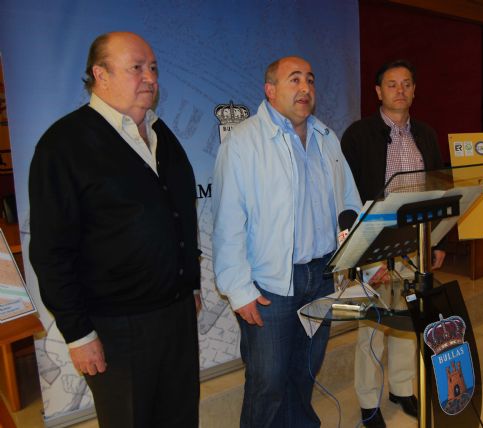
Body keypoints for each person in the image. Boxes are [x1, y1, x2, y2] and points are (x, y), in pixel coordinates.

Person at [29, 32, 201, 428]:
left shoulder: (162, 135)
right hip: (115, 329)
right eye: (136, 68)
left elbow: (180, 217)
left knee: (181, 418)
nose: (150, 77)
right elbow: (51, 252)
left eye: (153, 68)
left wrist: (190, 283)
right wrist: (78, 334)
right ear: (100, 74)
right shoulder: (63, 144)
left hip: (176, 315)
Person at [211, 56, 361, 428]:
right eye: (294, 79)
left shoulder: (327, 139)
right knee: (268, 383)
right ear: (270, 90)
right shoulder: (244, 141)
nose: (305, 87)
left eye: (310, 79)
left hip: (321, 278)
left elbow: (349, 202)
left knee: (304, 372)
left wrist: (358, 256)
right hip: (270, 285)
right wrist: (239, 290)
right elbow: (228, 220)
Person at [341, 59, 445, 428]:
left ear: (414, 90)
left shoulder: (427, 135)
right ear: (378, 91)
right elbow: (347, 196)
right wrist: (362, 258)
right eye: (391, 84)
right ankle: (368, 403)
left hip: (416, 245)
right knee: (372, 327)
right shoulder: (358, 135)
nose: (400, 90)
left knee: (409, 321)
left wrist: (436, 241)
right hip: (375, 249)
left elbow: (438, 190)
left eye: (406, 84)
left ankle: (402, 388)